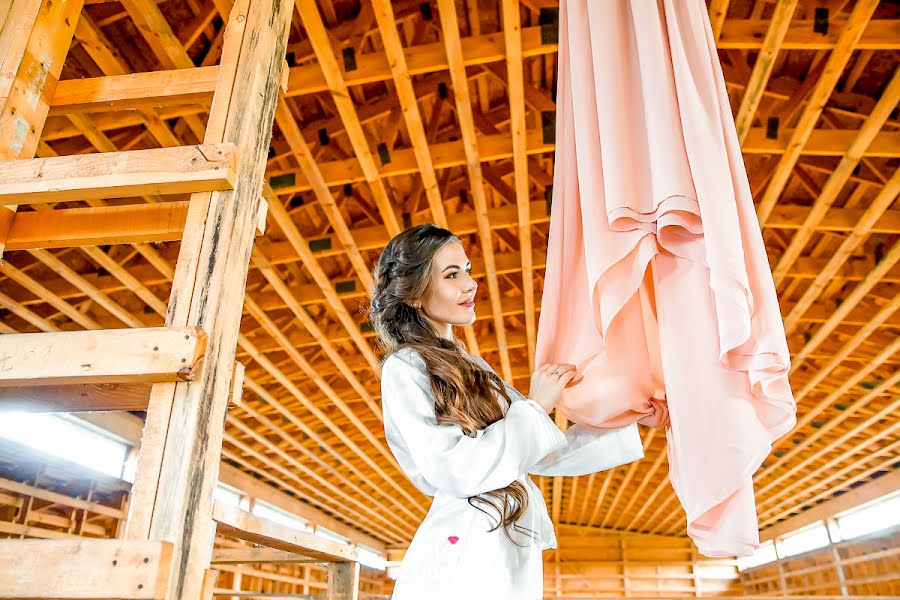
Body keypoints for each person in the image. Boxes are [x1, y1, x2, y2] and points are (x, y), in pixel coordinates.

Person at [369, 224, 644, 599]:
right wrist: (535, 407)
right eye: (452, 275)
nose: (470, 284)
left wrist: (632, 417)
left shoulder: (472, 366)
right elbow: (455, 469)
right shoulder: (405, 367)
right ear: (415, 296)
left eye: (467, 269)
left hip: (503, 539)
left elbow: (539, 450)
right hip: (462, 552)